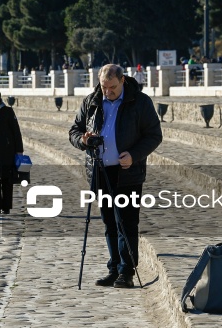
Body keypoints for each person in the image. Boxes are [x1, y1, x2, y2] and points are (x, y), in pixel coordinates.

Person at [68, 64, 162, 289]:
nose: (107, 92)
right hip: (100, 171)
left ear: (122, 81)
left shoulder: (140, 102)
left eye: (112, 87)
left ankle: (126, 272)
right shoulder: (91, 101)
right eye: (103, 87)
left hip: (128, 172)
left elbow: (154, 135)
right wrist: (83, 140)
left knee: (127, 223)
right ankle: (114, 268)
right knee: (109, 222)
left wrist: (135, 155)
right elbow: (74, 131)